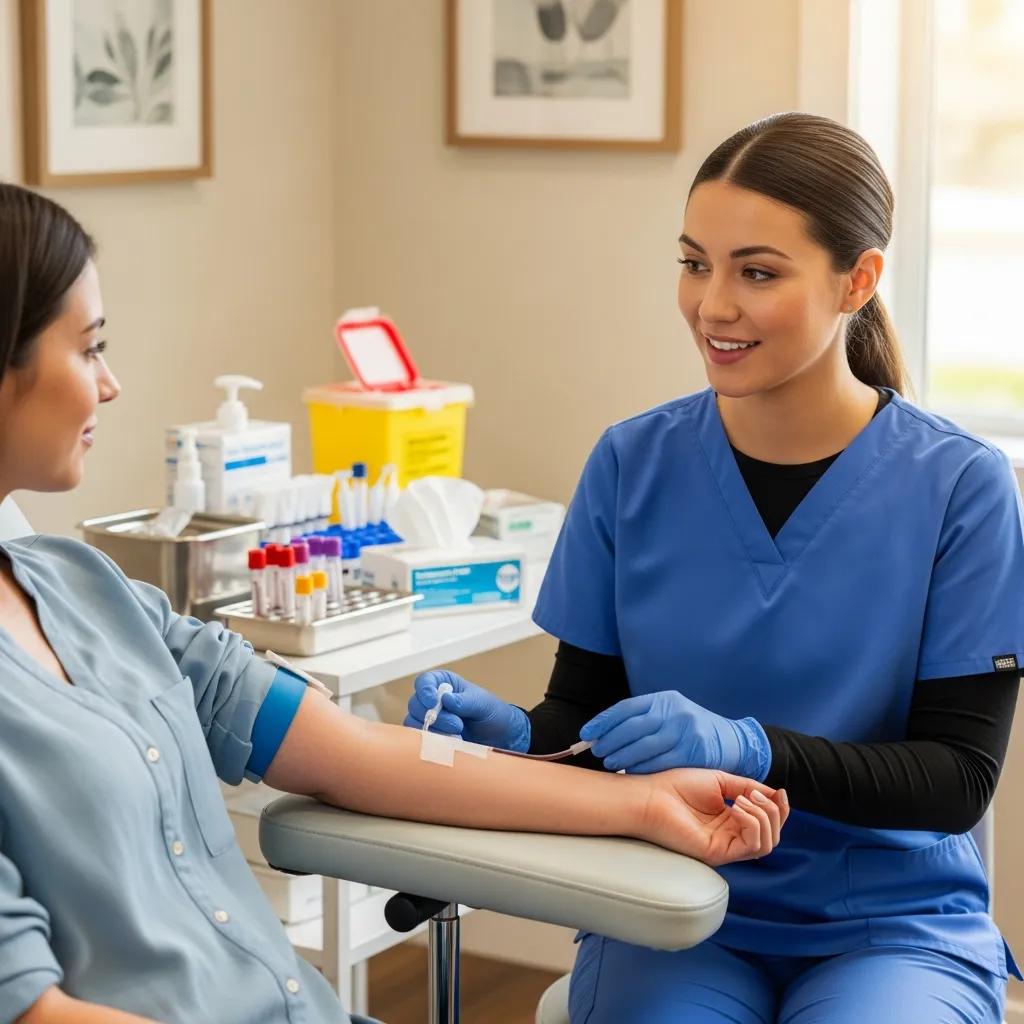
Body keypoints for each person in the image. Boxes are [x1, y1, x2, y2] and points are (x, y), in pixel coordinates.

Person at [0, 182, 789, 1024]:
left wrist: (645, 803)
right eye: (88, 349)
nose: (110, 384)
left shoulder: (86, 591)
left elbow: (350, 751)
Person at [406, 112, 1024, 1024]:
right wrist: (513, 737)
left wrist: (751, 747)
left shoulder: (961, 488)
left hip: (890, 924)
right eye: (695, 263)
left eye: (757, 272)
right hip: (671, 900)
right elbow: (584, 721)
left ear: (859, 280)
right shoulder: (632, 464)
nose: (713, 306)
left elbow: (956, 779)